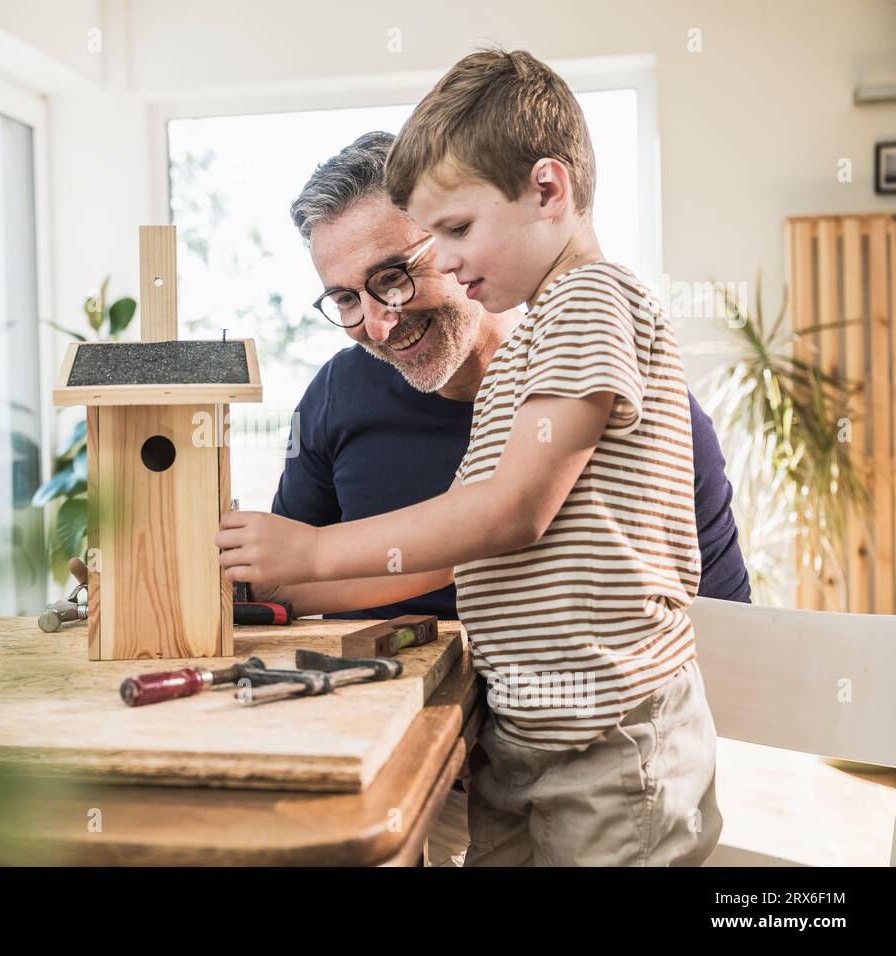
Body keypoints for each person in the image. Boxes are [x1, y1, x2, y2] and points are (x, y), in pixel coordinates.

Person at [218, 48, 723, 865]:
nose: (448, 257)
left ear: (549, 190)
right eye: (344, 298)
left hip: (609, 736)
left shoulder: (591, 302)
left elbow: (511, 511)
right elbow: (438, 552)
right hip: (520, 735)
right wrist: (256, 571)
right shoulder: (522, 365)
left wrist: (308, 545)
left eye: (450, 233)